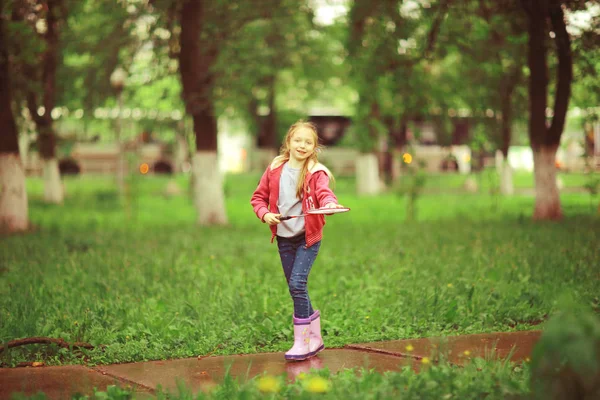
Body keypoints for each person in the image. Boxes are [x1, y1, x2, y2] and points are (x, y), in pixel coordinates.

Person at [250, 121, 345, 361]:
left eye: (308, 142)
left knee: (297, 284)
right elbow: (258, 198)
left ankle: (302, 342)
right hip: (284, 239)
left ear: (314, 147)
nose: (302, 145)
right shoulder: (274, 169)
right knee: (297, 289)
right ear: (289, 142)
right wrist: (265, 214)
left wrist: (330, 204)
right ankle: (315, 338)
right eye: (298, 140)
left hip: (307, 237)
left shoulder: (315, 172)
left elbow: (324, 193)